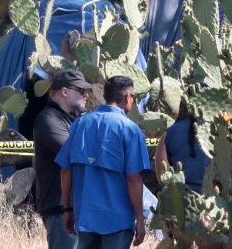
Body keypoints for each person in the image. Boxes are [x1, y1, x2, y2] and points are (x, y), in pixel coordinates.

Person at [56, 75, 151, 249]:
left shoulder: (79, 124)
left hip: (85, 216)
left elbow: (66, 171)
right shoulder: (130, 130)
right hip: (118, 220)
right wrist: (140, 218)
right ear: (128, 98)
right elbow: (134, 178)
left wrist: (67, 209)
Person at [34, 70, 92, 249]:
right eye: (81, 91)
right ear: (64, 92)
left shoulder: (71, 120)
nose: (86, 95)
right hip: (59, 207)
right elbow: (77, 154)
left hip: (74, 206)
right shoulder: (48, 120)